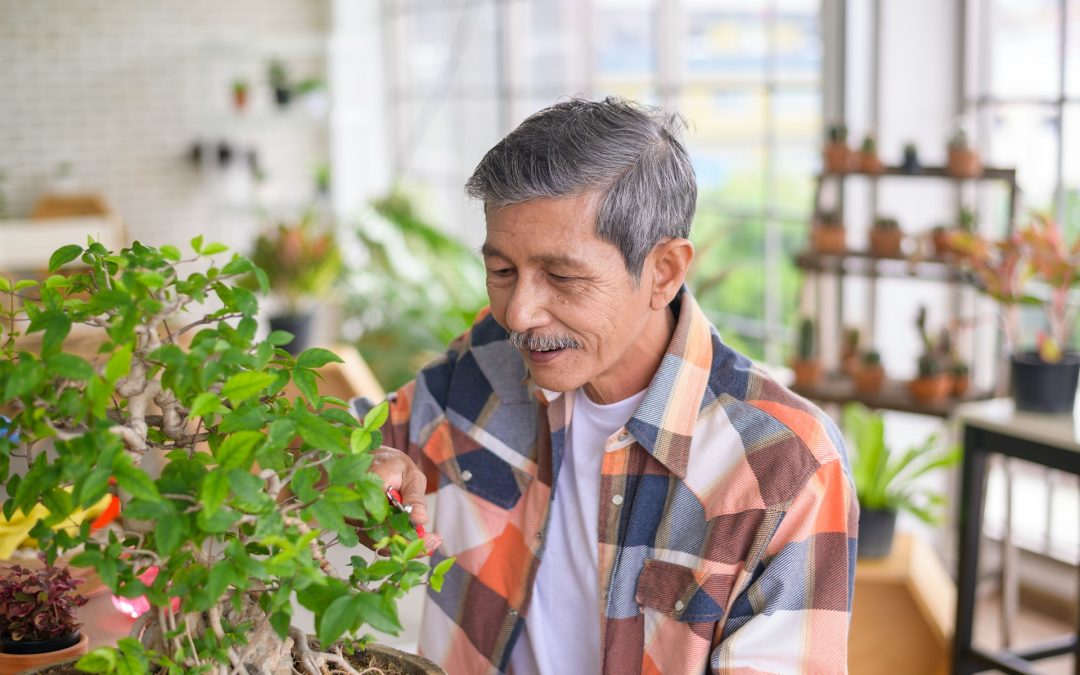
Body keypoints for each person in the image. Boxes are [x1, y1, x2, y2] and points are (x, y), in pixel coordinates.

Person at [352, 97, 858, 675]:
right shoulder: (488, 359)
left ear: (663, 271)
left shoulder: (787, 467)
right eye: (502, 272)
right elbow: (333, 446)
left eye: (562, 277)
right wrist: (356, 473)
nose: (519, 313)